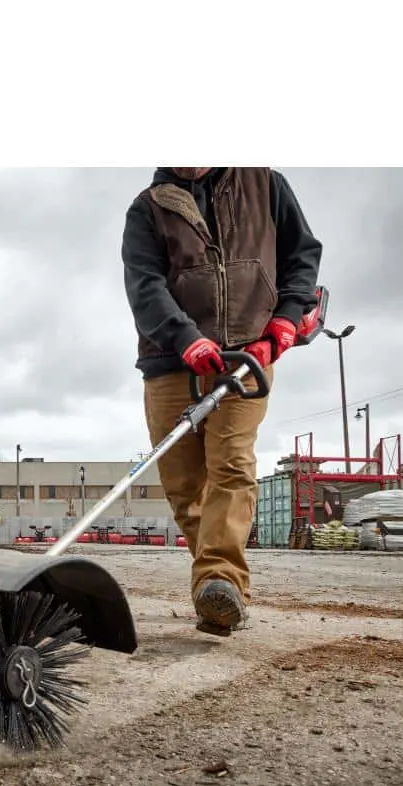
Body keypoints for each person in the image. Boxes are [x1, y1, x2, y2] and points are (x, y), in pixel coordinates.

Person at [121, 167, 322, 636]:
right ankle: (215, 581)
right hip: (171, 361)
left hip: (247, 355)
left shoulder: (266, 185)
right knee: (184, 485)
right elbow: (144, 286)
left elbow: (301, 256)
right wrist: (184, 337)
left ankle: (220, 582)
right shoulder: (148, 207)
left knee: (231, 464)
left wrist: (287, 317)